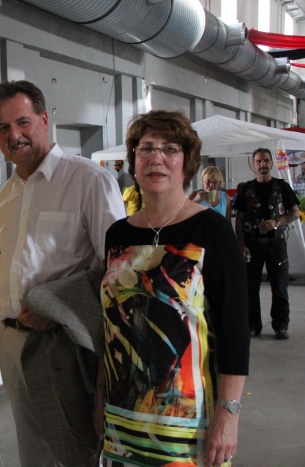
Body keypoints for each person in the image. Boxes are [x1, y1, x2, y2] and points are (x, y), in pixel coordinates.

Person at [0, 80, 125, 467]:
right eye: (4, 127)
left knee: (73, 451)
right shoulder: (8, 194)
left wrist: (54, 308)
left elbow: (118, 273)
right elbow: (3, 260)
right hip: (11, 342)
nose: (15, 135)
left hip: (61, 343)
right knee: (34, 455)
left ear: (44, 120)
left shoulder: (88, 181)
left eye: (23, 122)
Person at [97, 110, 249, 466]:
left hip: (188, 425)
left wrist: (229, 415)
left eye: (170, 148)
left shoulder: (211, 231)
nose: (157, 159)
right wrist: (99, 399)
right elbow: (109, 328)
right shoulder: (117, 235)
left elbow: (235, 333)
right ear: (133, 160)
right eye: (146, 148)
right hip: (122, 418)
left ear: (187, 161)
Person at [234, 148, 300, 340]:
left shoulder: (282, 187)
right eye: (258, 161)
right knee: (250, 288)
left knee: (279, 287)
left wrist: (276, 221)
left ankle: (281, 326)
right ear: (253, 165)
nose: (262, 164)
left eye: (265, 161)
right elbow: (239, 220)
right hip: (252, 246)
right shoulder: (245, 189)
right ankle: (253, 326)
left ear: (271, 163)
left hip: (276, 245)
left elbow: (295, 213)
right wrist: (241, 245)